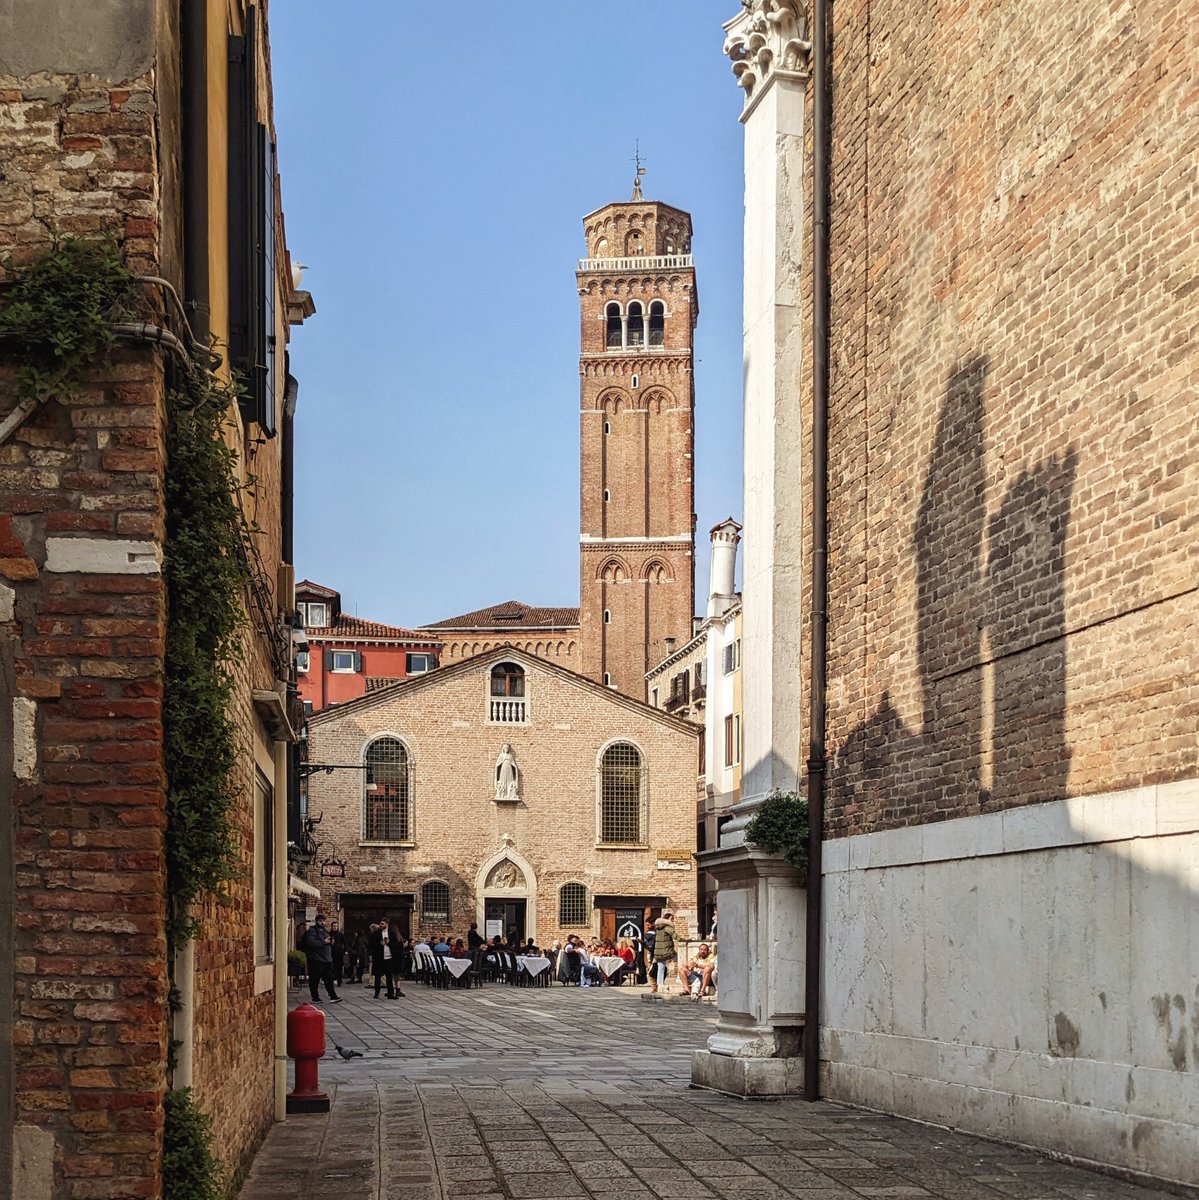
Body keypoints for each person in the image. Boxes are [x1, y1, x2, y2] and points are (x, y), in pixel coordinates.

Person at [299, 914, 342, 1003]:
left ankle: (333, 996)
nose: (322, 922)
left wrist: (331, 942)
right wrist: (324, 942)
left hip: (327, 960)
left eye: (323, 921)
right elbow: (311, 942)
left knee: (329, 979)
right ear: (316, 921)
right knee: (315, 980)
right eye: (320, 921)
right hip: (316, 960)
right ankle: (315, 997)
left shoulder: (325, 931)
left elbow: (327, 941)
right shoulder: (312, 931)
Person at [370, 923, 404, 999]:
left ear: (387, 924)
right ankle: (377, 993)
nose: (381, 925)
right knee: (378, 976)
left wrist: (389, 943)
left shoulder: (391, 933)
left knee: (389, 976)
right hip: (379, 958)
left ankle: (390, 993)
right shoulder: (376, 934)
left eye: (382, 924)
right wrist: (380, 944)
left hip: (389, 958)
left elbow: (396, 945)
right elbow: (372, 945)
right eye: (380, 924)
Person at [650, 912, 676, 994]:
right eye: (672, 919)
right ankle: (683, 979)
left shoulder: (657, 928)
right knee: (681, 962)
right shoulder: (668, 928)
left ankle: (660, 986)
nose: (673, 920)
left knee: (660, 969)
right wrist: (685, 940)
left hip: (658, 952)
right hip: (667, 951)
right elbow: (676, 936)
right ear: (668, 919)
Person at [329, 920, 347, 986]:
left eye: (336, 926)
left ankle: (339, 981)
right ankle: (332, 980)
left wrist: (345, 950)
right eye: (334, 926)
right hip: (331, 953)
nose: (335, 927)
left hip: (339, 953)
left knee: (339, 967)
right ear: (331, 927)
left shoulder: (340, 934)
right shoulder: (329, 934)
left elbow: (345, 943)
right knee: (331, 967)